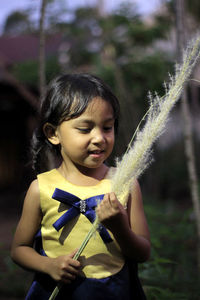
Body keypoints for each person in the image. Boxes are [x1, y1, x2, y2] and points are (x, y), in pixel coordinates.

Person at [11, 73, 151, 300]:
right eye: (85, 129)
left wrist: (119, 227)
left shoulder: (125, 184)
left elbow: (143, 252)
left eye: (107, 127)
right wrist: (48, 265)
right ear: (53, 133)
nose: (99, 138)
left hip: (114, 291)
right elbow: (19, 250)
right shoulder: (41, 188)